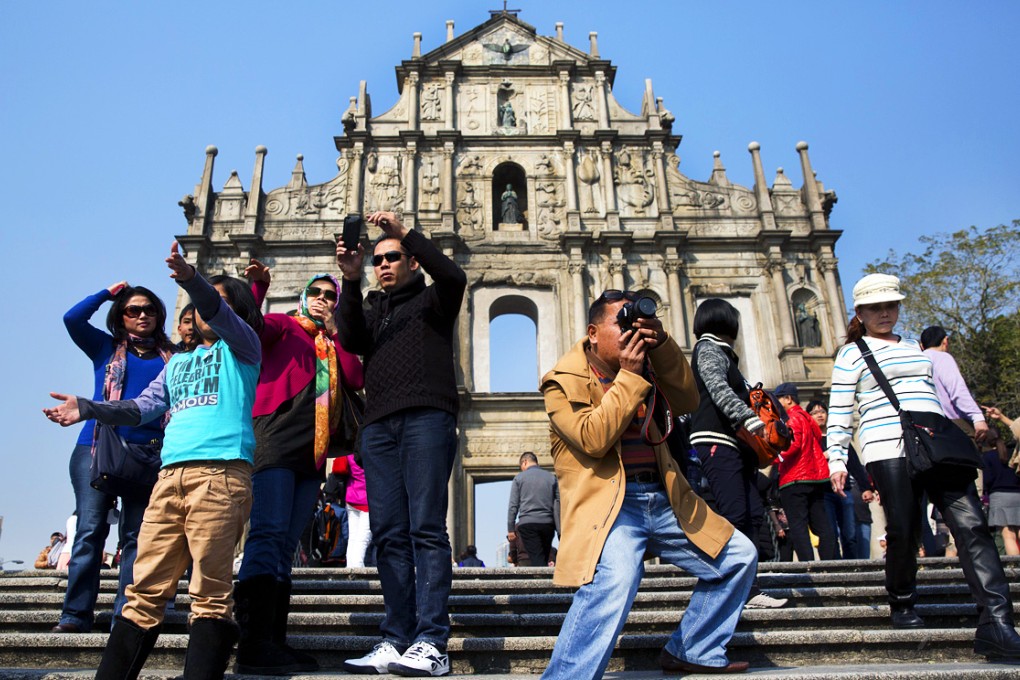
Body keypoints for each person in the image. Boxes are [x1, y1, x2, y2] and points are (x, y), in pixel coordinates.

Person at [44, 241, 263, 679]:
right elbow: (140, 407)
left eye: (215, 303)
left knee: (210, 592)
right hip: (169, 478)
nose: (203, 310)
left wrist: (188, 278)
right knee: (143, 589)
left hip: (219, 476)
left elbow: (218, 311)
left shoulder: (242, 349)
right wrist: (88, 408)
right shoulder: (177, 363)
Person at [539, 289, 756, 679]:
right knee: (616, 579)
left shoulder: (647, 366)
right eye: (620, 323)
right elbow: (593, 437)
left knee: (739, 555)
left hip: (665, 496)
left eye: (634, 322)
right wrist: (629, 376)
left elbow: (688, 399)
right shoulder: (561, 381)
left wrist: (664, 343)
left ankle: (695, 648)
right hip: (611, 506)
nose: (630, 332)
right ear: (592, 332)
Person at [826, 273, 1020, 658]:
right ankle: (901, 599)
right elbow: (840, 410)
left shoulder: (916, 346)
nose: (885, 313)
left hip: (935, 446)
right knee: (903, 528)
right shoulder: (852, 353)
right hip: (887, 447)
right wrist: (836, 456)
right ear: (860, 313)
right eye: (876, 307)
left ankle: (997, 622)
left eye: (891, 305)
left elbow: (932, 394)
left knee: (972, 526)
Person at [335, 210, 467, 677]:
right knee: (389, 533)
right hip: (378, 427)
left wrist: (404, 231)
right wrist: (350, 281)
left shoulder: (436, 300)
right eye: (377, 260)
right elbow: (349, 339)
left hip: (427, 417)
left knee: (426, 528)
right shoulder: (374, 309)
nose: (383, 264)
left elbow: (454, 273)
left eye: (392, 257)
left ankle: (432, 641)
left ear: (413, 262)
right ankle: (396, 637)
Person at [231, 261, 363, 675]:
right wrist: (257, 287)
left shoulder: (332, 341)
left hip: (312, 451)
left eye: (331, 296)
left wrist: (339, 331)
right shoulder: (283, 326)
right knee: (267, 534)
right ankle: (251, 643)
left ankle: (274, 640)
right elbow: (249, 329)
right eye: (318, 293)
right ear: (304, 296)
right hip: (274, 437)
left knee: (287, 545)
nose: (323, 300)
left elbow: (356, 378)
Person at [55, 280, 176, 634]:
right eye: (133, 310)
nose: (142, 315)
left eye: (149, 310)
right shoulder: (105, 348)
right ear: (120, 317)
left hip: (150, 456)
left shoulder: (174, 357)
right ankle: (76, 614)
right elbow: (72, 319)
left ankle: (126, 614)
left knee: (137, 537)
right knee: (90, 531)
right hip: (95, 449)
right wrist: (107, 294)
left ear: (159, 316)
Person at [689, 298, 787, 609]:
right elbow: (717, 387)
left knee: (752, 513)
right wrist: (746, 416)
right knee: (734, 513)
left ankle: (748, 587)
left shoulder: (726, 354)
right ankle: (729, 586)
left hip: (737, 443)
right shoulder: (708, 350)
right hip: (716, 438)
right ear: (724, 321)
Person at [773, 383, 837, 561]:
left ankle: (808, 565)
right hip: (814, 477)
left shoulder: (792, 418)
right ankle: (829, 563)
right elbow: (815, 439)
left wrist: (772, 456)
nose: (776, 404)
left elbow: (791, 446)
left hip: (795, 478)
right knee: (821, 524)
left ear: (788, 399)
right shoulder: (809, 420)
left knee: (798, 525)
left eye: (778, 399)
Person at [920, 325, 989, 444]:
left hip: (926, 426)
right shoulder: (942, 357)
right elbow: (957, 390)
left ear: (922, 345)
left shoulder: (916, 360)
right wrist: (977, 417)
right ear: (945, 341)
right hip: (954, 424)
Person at [506, 452, 559, 567]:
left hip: (528, 524)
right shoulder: (551, 478)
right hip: (547, 524)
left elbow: (513, 505)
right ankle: (543, 579)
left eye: (521, 466)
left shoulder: (519, 478)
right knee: (543, 556)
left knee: (537, 558)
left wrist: (511, 528)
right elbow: (557, 505)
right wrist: (559, 530)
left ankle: (540, 581)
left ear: (524, 462)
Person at [978, 420, 1020, 556]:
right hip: (1018, 494)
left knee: (1008, 535)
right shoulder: (1013, 452)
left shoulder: (988, 457)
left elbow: (988, 480)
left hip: (1000, 497)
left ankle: (1015, 567)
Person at [344, 453, 374, 568]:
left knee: (353, 538)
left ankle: (350, 569)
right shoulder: (370, 453)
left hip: (351, 497)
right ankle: (358, 570)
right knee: (363, 540)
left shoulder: (350, 453)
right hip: (367, 500)